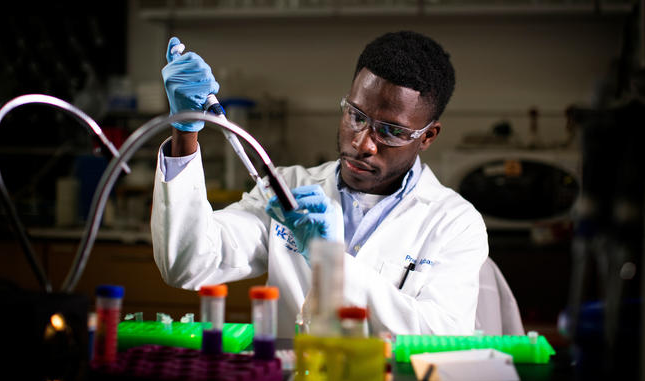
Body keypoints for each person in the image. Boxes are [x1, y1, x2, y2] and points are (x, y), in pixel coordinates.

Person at [151, 31, 488, 338]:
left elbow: (445, 338)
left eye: (392, 131)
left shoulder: (455, 223)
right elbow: (186, 262)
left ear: (427, 136)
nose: (363, 143)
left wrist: (330, 262)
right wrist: (186, 132)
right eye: (356, 116)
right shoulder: (289, 187)